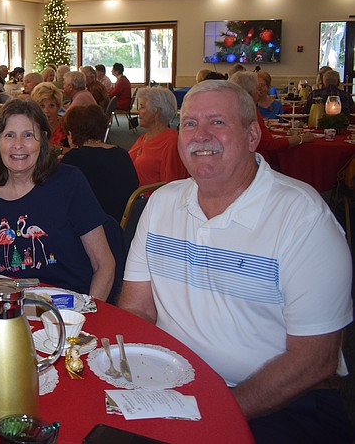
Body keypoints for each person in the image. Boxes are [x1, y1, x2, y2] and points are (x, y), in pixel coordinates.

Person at [120, 80, 354, 444]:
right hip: (172, 383)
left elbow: (315, 359)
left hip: (279, 400)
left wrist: (216, 410)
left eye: (217, 122)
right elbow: (137, 311)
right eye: (189, 124)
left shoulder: (302, 218)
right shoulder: (162, 204)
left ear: (252, 136)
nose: (200, 136)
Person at [0, 99, 116, 299]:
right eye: (9, 135)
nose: (18, 145)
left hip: (68, 308)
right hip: (12, 311)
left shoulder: (68, 183)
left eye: (28, 135)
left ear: (44, 140)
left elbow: (104, 264)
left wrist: (85, 316)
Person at [61, 105, 139, 223]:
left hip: (89, 228)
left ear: (72, 133)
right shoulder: (122, 154)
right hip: (122, 224)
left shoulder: (73, 159)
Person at [230, 72, 313, 161]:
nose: (259, 91)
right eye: (256, 88)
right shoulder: (250, 111)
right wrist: (301, 138)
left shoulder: (232, 108)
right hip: (254, 162)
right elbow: (270, 145)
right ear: (250, 92)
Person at [127, 86, 188, 186]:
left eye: (142, 107)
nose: (138, 111)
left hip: (147, 199)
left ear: (156, 111)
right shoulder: (144, 138)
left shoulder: (171, 143)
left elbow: (172, 186)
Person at [30, 82, 66, 148]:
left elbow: (76, 152)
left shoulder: (66, 127)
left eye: (51, 106)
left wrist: (56, 149)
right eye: (42, 106)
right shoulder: (30, 128)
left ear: (58, 107)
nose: (46, 111)